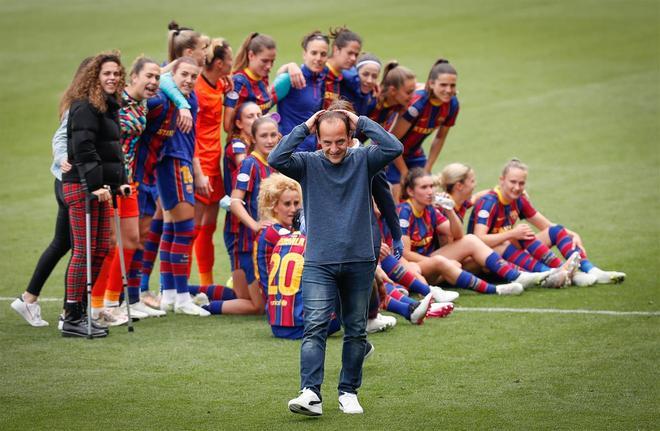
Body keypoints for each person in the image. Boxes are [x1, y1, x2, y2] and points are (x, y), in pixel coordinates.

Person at [269, 102, 403, 416]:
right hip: (318, 261)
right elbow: (276, 157)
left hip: (359, 260)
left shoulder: (364, 159)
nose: (333, 148)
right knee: (314, 325)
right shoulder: (306, 163)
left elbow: (394, 146)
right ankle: (310, 393)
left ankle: (348, 392)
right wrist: (305, 124)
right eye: (327, 142)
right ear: (318, 139)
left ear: (350, 136)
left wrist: (362, 121)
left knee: (356, 329)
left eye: (340, 141)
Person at [11, 57, 92, 327]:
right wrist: (61, 158)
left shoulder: (78, 101)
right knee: (79, 248)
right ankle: (70, 312)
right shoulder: (79, 106)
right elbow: (59, 137)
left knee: (63, 243)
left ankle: (28, 298)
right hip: (68, 181)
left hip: (63, 181)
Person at [399, 168, 574, 294]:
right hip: (418, 266)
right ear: (410, 191)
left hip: (443, 260)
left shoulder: (434, 207)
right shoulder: (405, 212)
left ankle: (544, 273)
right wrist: (441, 262)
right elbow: (405, 253)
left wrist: (450, 210)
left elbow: (458, 236)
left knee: (480, 242)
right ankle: (524, 276)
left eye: (431, 186)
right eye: (424, 187)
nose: (430, 191)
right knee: (496, 243)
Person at [469, 158, 626, 286]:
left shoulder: (519, 200)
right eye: (513, 182)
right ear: (502, 180)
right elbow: (478, 240)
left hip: (511, 253)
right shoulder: (489, 202)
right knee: (513, 237)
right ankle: (560, 272)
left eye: (521, 183)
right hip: (488, 264)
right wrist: (512, 233)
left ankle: (591, 270)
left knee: (555, 231)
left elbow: (547, 226)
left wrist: (573, 234)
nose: (517, 187)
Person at [60, 51, 130, 337]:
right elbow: (84, 149)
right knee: (84, 250)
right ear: (95, 77)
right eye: (106, 74)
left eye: (115, 73)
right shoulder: (85, 107)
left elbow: (112, 151)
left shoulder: (108, 105)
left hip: (101, 188)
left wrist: (118, 183)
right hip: (81, 186)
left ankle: (81, 312)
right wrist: (95, 185)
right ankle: (72, 315)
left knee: (100, 248)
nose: (112, 78)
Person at [152, 57, 211, 316]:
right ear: (174, 74)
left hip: (182, 161)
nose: (188, 79)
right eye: (183, 74)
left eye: (193, 75)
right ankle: (182, 297)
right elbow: (163, 79)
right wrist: (181, 103)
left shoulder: (189, 98)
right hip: (172, 161)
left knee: (173, 229)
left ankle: (170, 295)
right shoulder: (168, 93)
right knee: (185, 230)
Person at [190, 38, 234, 287]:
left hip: (213, 163)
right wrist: (198, 172)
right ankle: (176, 289)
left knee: (208, 227)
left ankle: (205, 286)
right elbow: (191, 133)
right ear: (218, 63)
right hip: (200, 165)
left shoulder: (218, 83)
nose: (231, 64)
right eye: (228, 60)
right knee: (191, 229)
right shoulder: (198, 88)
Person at [227, 116, 280, 314]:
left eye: (273, 135)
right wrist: (255, 224)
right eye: (264, 136)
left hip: (269, 243)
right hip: (248, 242)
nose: (269, 140)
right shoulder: (249, 164)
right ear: (254, 139)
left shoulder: (276, 163)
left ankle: (198, 293)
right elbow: (235, 202)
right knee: (257, 306)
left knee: (254, 300)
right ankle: (205, 306)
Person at [388, 59, 460, 201]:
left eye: (452, 85)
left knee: (426, 195)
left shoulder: (452, 104)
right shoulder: (418, 104)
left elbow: (440, 138)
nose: (448, 90)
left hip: (414, 153)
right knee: (397, 199)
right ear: (432, 83)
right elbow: (391, 140)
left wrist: (428, 168)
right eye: (443, 85)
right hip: (389, 152)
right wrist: (404, 172)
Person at [273, 30, 329, 152]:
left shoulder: (322, 77)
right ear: (304, 54)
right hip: (290, 154)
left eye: (323, 54)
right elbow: (263, 105)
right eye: (314, 53)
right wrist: (288, 67)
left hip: (311, 153)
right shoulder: (290, 78)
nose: (318, 58)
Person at [223, 33, 277, 135]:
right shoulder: (239, 82)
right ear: (251, 55)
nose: (269, 66)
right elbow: (228, 125)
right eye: (264, 61)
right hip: (243, 146)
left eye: (272, 61)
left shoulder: (263, 77)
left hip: (261, 144)